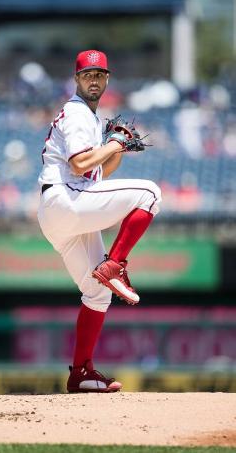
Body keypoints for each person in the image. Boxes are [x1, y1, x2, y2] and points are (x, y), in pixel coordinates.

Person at [37, 50, 161, 393]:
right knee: (150, 194)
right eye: (87, 74)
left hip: (61, 212)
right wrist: (114, 142)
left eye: (100, 74)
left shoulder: (92, 117)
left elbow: (98, 172)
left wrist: (114, 150)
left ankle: (81, 373)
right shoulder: (78, 113)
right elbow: (79, 165)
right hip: (66, 198)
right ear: (77, 80)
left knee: (96, 295)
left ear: (107, 79)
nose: (94, 79)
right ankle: (115, 265)